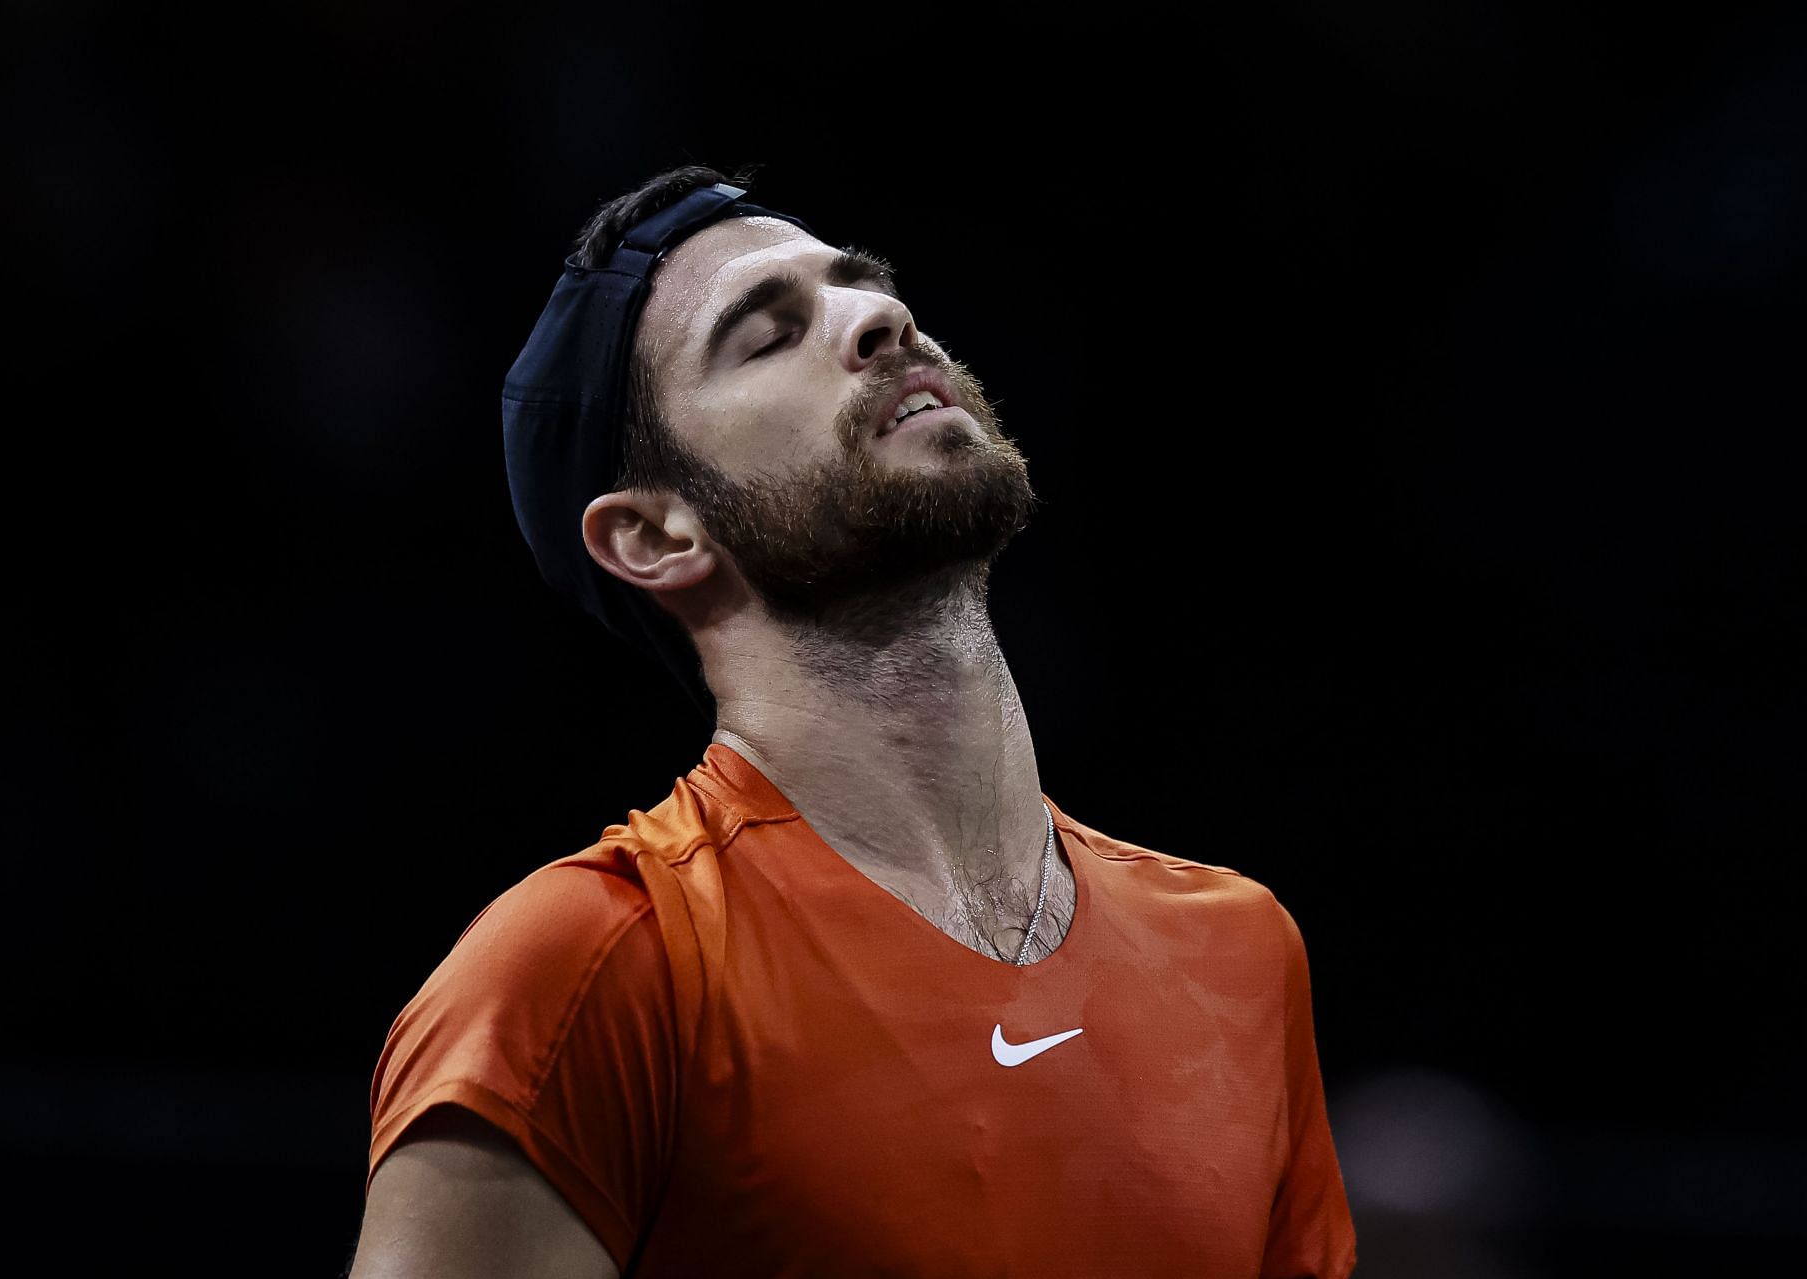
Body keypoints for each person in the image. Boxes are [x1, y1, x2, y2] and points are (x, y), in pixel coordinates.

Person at [348, 164, 1357, 1278]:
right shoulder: (586, 974)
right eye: (767, 335)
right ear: (656, 534)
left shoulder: (1239, 951)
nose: (881, 318)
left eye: (862, 288)